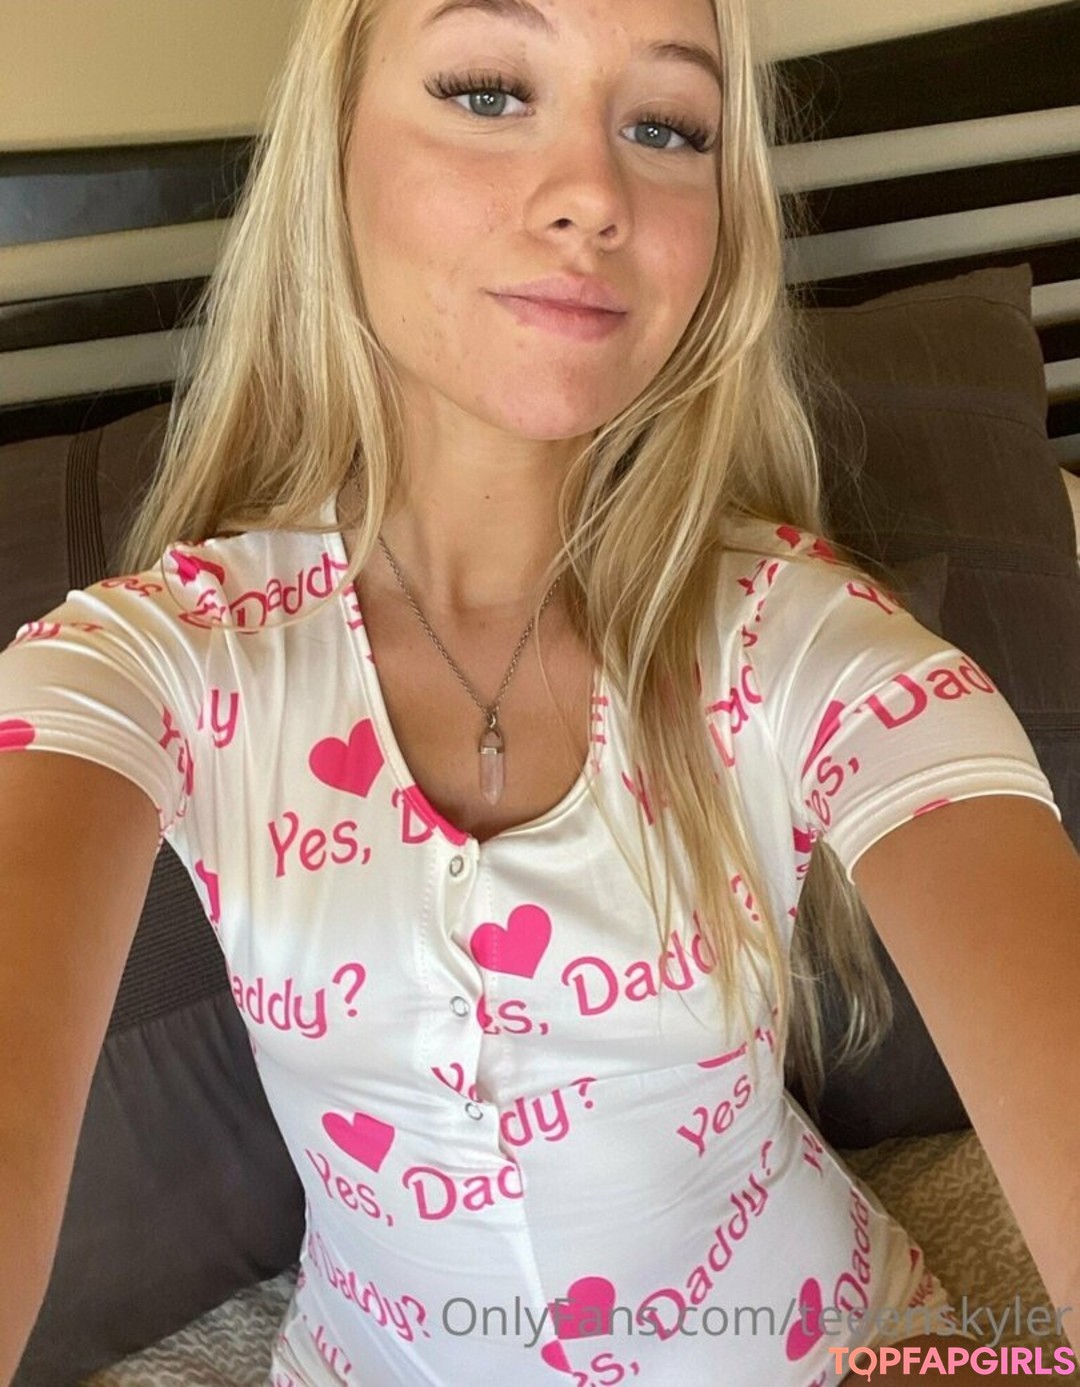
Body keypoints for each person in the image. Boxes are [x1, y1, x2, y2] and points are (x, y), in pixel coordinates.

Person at [1, 0, 1078, 1383]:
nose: (593, 192)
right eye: (487, 92)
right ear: (333, 150)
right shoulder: (153, 662)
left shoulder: (801, 644)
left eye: (667, 126)